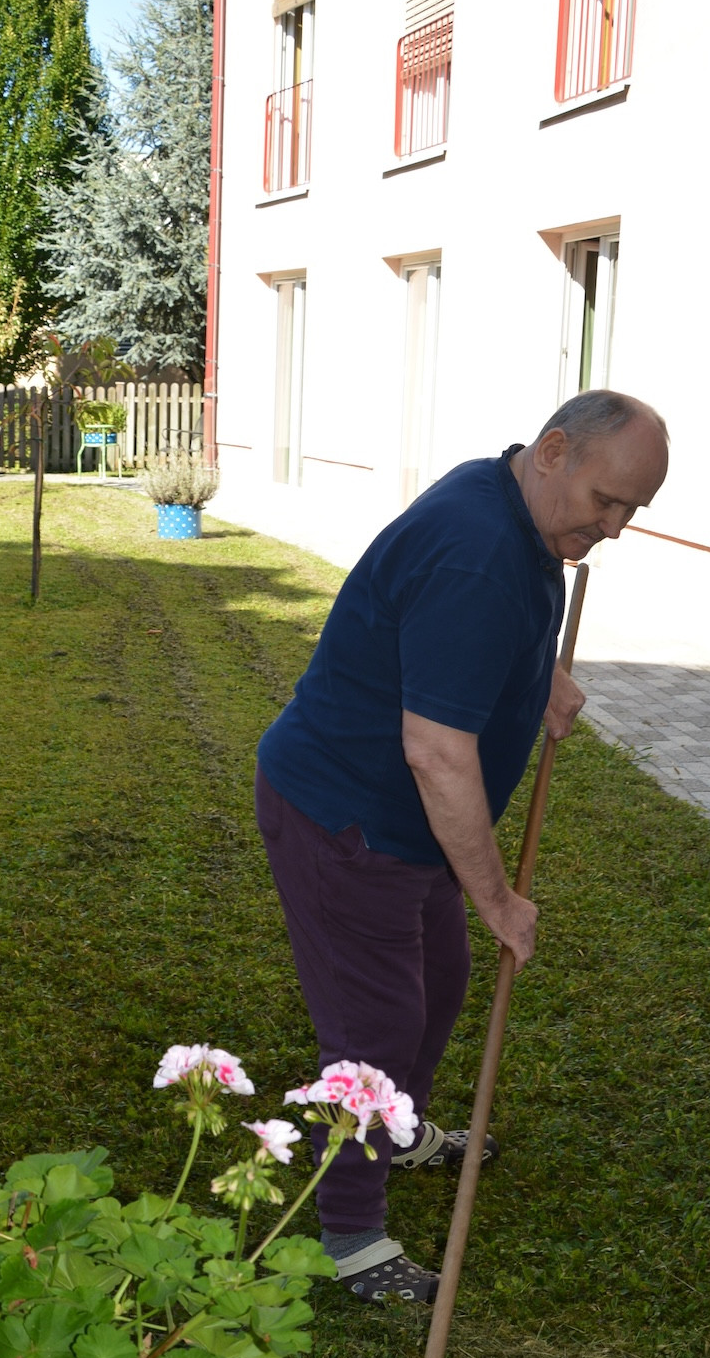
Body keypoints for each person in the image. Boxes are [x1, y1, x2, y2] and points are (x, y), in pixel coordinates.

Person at [255, 390, 670, 1304]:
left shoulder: (509, 498)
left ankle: (397, 1130)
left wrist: (542, 674)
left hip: (403, 828)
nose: (614, 526)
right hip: (348, 820)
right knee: (375, 1028)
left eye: (633, 509)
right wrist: (497, 900)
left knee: (438, 981)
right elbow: (437, 753)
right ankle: (349, 1234)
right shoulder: (479, 549)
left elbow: (452, 630)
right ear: (555, 451)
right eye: (607, 501)